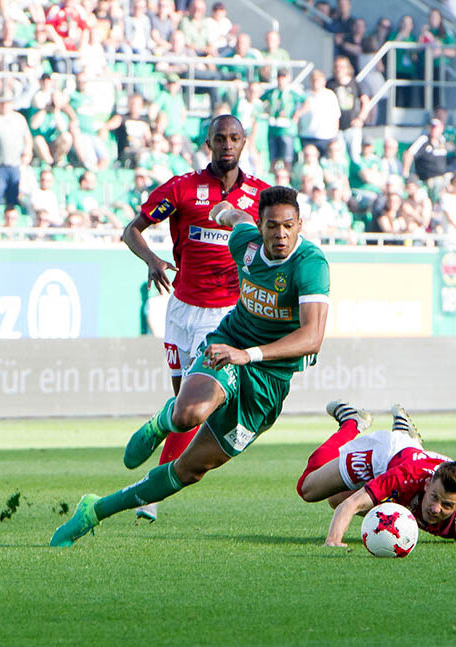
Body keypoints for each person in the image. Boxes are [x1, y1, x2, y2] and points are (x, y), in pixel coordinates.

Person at [51, 186, 330, 547]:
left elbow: (312, 337)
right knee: (189, 414)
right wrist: (224, 210)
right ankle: (162, 422)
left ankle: (94, 510)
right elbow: (236, 218)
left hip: (268, 381)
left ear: (299, 225)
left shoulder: (311, 264)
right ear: (260, 226)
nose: (281, 235)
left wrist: (251, 356)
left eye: (288, 226)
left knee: (189, 470)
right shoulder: (245, 243)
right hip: (228, 344)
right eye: (272, 226)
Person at [121, 114, 270, 522]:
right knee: (179, 402)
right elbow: (132, 230)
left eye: (234, 138)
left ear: (244, 143)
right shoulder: (182, 188)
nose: (227, 145)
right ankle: (161, 441)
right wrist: (152, 259)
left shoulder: (260, 196)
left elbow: (279, 244)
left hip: (223, 314)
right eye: (219, 138)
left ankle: (150, 491)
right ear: (208, 143)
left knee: (192, 401)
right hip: (181, 308)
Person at [297, 400, 456, 546]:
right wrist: (333, 541)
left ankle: (405, 433)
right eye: (434, 497)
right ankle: (352, 422)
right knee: (308, 489)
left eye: (447, 505)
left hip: (415, 458)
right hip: (386, 456)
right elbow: (352, 504)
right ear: (427, 485)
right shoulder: (406, 476)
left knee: (336, 499)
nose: (435, 508)